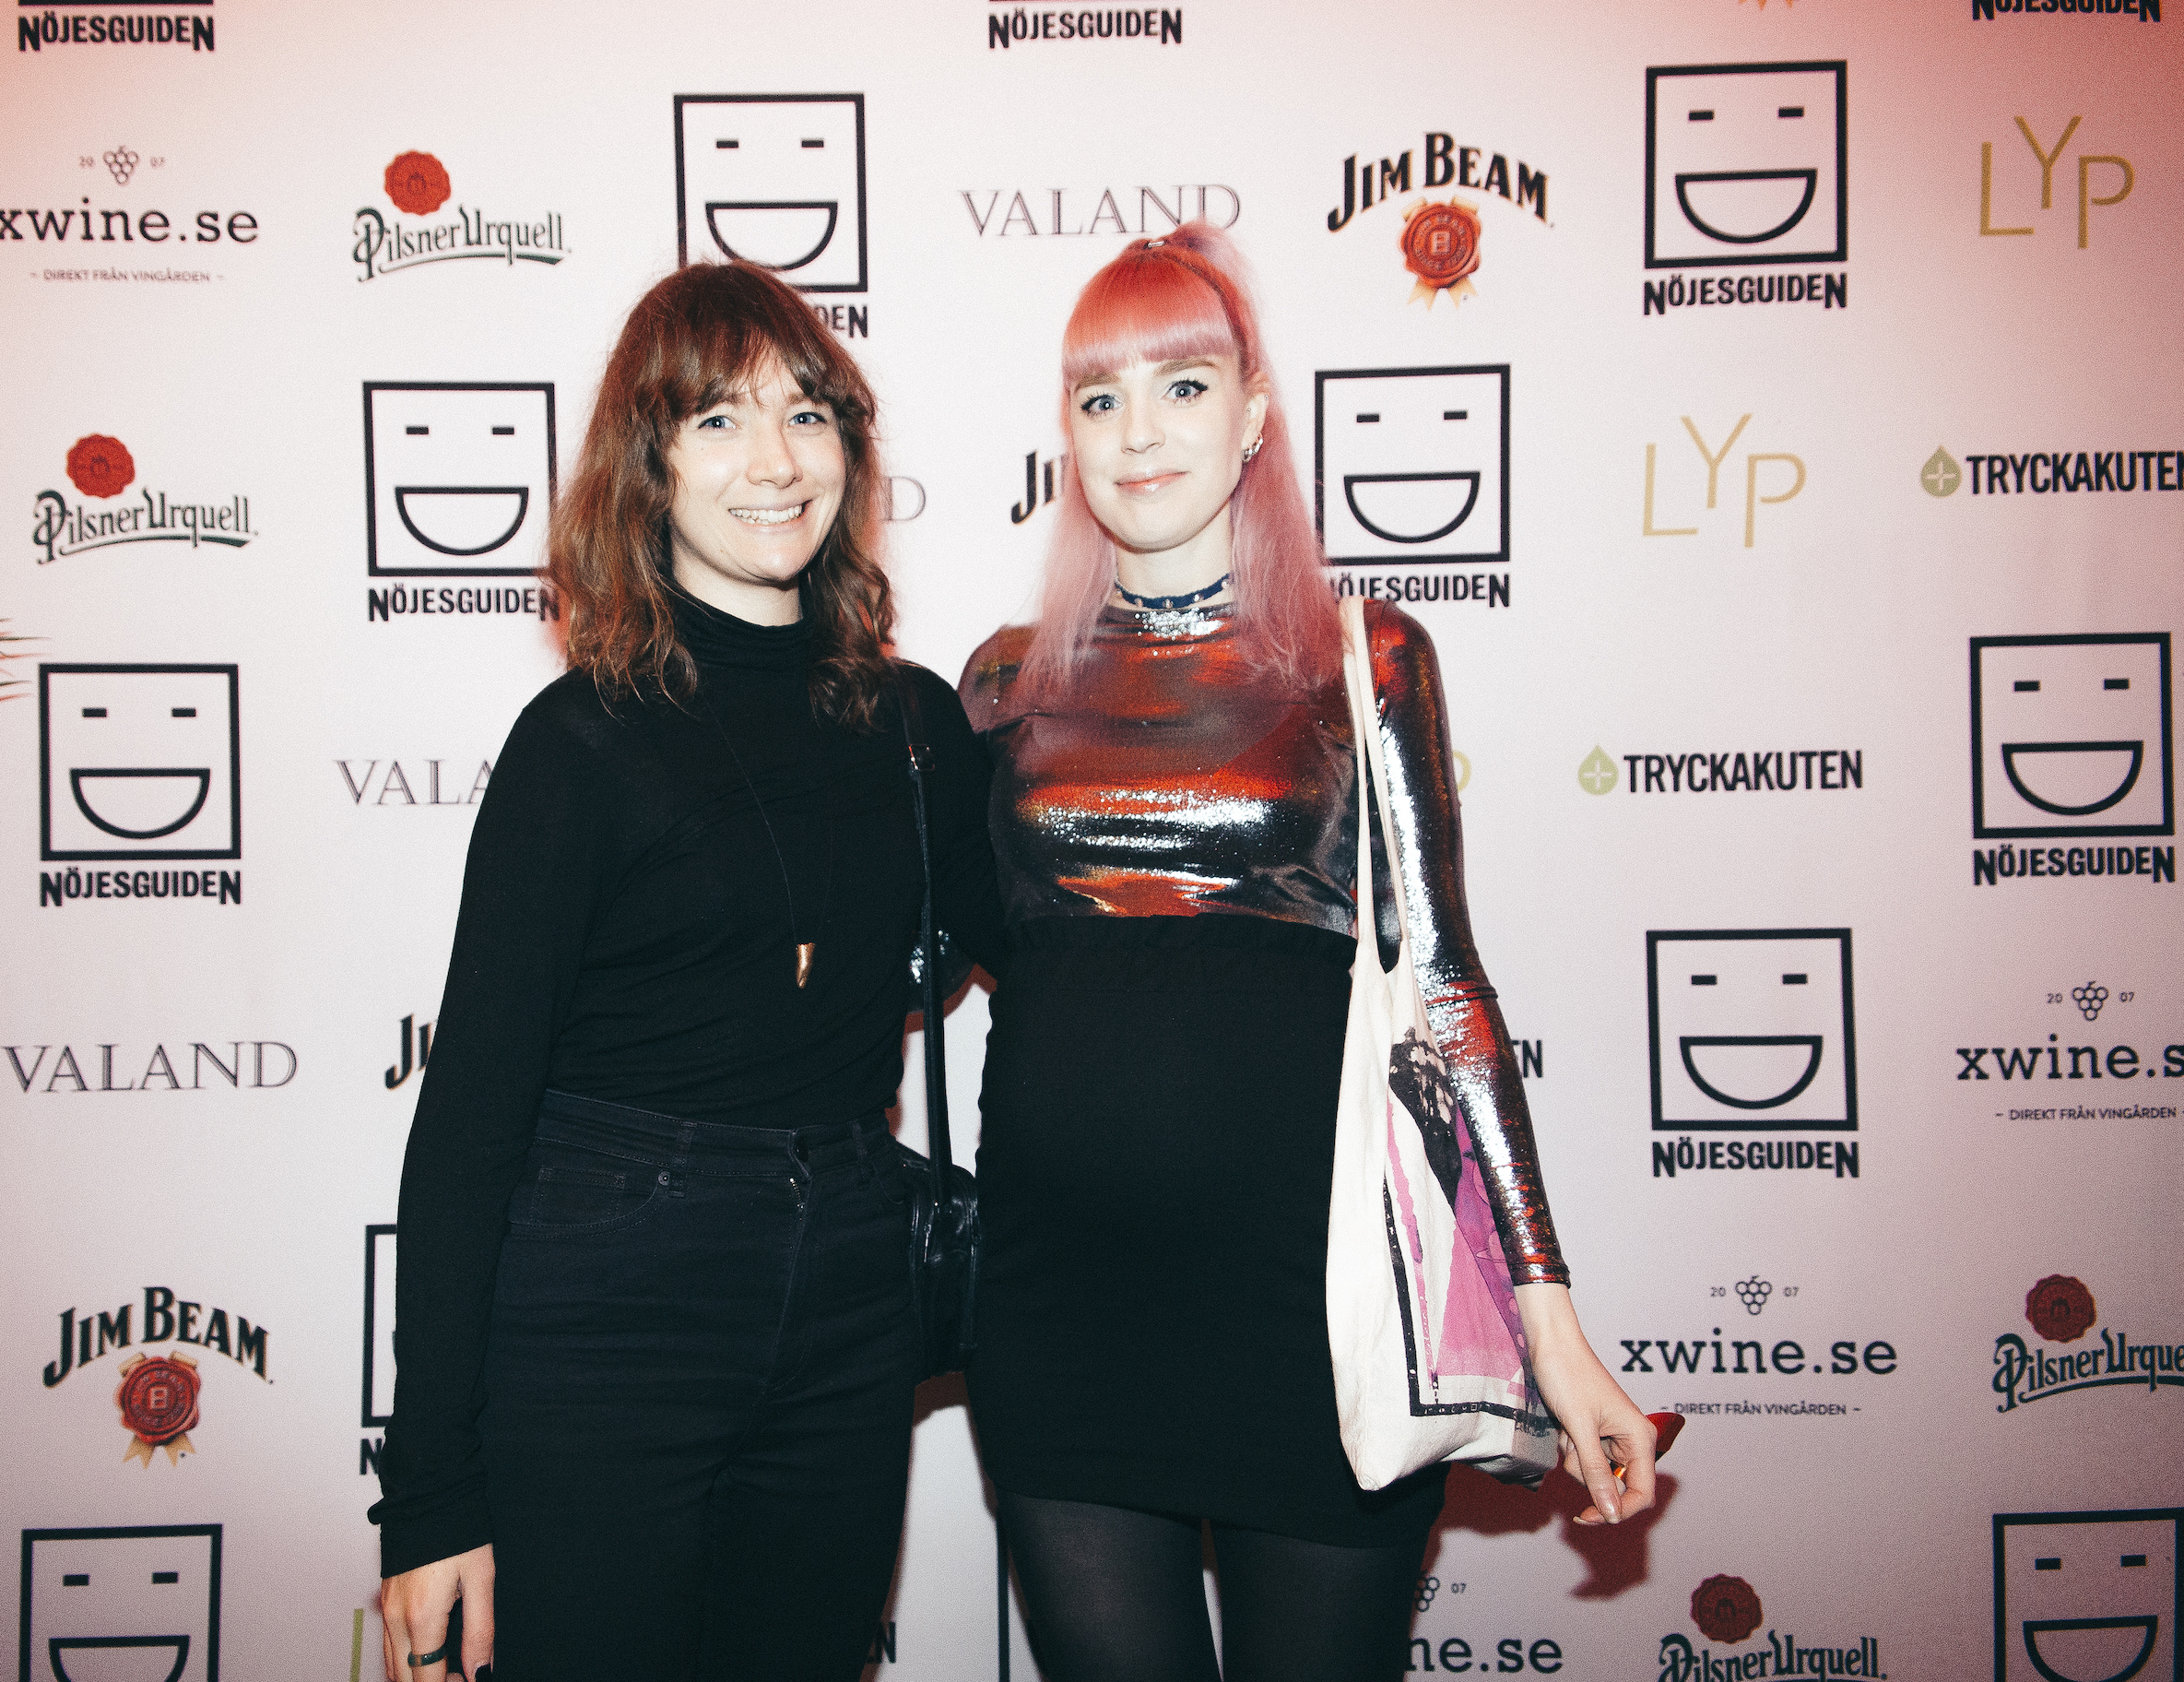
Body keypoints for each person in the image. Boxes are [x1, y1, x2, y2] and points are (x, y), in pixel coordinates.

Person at [960, 224, 1658, 1682]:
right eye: (1099, 398)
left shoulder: (1364, 657)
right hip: (1061, 1308)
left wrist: (1549, 1317)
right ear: (1066, 437)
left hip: (1321, 1322)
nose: (1139, 433)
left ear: (1254, 416)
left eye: (1182, 387)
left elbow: (1446, 984)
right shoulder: (1004, 680)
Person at [371, 258, 1003, 1682]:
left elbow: (1054, 952)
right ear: (647, 466)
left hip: (849, 1290)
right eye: (718, 420)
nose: (775, 461)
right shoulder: (581, 743)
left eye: (806, 414)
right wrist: (431, 1495)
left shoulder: (913, 728)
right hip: (613, 1299)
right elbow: (469, 1124)